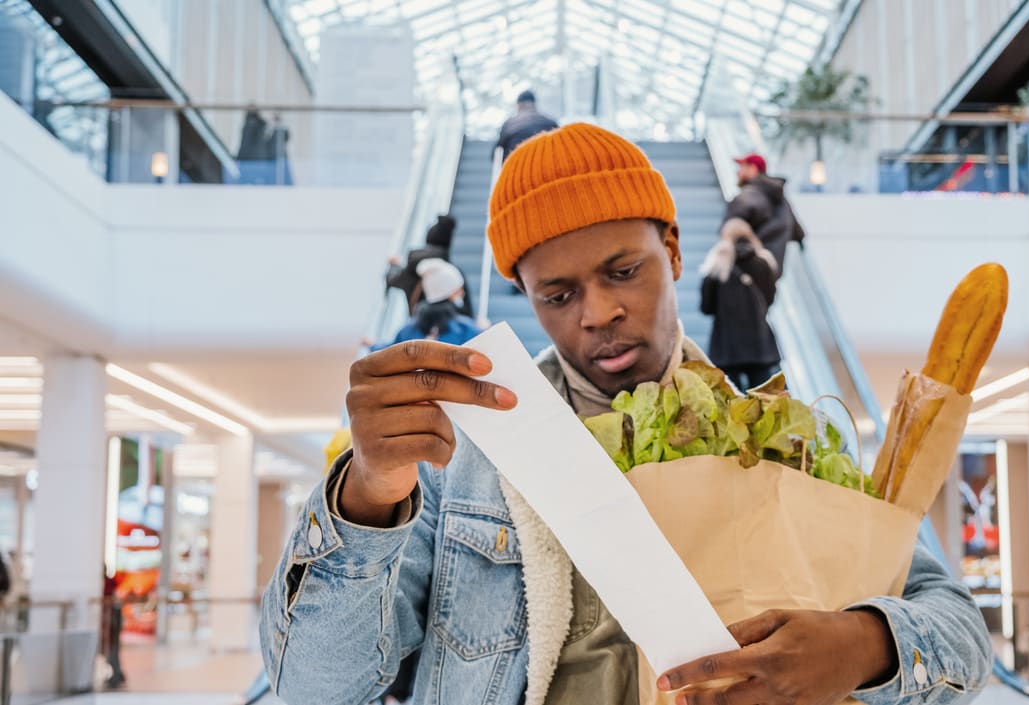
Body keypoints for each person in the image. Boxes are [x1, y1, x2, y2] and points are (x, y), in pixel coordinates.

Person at [260, 123, 992, 705]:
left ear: (672, 251)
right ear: (527, 294)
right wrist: (367, 491)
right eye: (558, 294)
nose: (600, 312)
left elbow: (957, 623)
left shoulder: (783, 434)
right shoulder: (464, 459)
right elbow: (316, 687)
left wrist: (864, 645)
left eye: (623, 271)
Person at [699, 217, 781, 391]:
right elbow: (770, 300)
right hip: (759, 343)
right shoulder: (764, 263)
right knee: (764, 401)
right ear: (750, 234)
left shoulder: (716, 266)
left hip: (727, 345)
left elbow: (706, 307)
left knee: (729, 400)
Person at [723, 153, 807, 274]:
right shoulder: (781, 199)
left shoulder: (746, 198)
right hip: (772, 271)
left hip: (747, 272)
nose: (737, 172)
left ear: (752, 169)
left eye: (742, 167)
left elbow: (728, 231)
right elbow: (798, 232)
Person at [386, 215, 474, 319]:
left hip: (418, 329)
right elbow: (467, 312)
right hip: (448, 332)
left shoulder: (412, 269)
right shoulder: (453, 273)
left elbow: (392, 279)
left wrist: (394, 265)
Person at [413, 259, 479, 345]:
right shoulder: (465, 328)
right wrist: (483, 330)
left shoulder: (407, 330)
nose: (462, 293)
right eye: (458, 289)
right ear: (448, 292)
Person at [495, 89, 559, 161]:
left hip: (516, 167)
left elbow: (497, 151)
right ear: (534, 104)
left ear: (519, 105)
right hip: (545, 167)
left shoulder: (509, 124)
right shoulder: (550, 123)